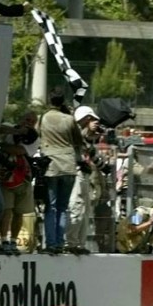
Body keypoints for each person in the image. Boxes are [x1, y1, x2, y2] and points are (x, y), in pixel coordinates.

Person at [38, 87, 83, 254]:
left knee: (52, 206)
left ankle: (50, 243)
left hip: (51, 165)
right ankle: (59, 242)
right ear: (63, 101)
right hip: (69, 165)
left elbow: (38, 136)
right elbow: (78, 140)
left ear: (49, 101)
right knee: (63, 207)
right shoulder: (69, 119)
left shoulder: (43, 118)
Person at [0, 112, 39, 255]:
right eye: (27, 119)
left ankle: (14, 241)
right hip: (6, 177)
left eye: (32, 121)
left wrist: (1, 145)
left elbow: (19, 150)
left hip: (24, 178)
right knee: (6, 210)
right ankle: (3, 240)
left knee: (19, 212)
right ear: (21, 119)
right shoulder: (10, 129)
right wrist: (16, 131)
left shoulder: (34, 138)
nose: (29, 123)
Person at [65, 106, 104, 255]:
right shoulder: (75, 133)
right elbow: (80, 140)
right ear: (85, 119)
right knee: (76, 207)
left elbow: (91, 153)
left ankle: (79, 244)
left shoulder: (89, 138)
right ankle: (70, 243)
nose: (96, 122)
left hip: (85, 175)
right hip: (76, 173)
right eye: (92, 119)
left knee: (85, 211)